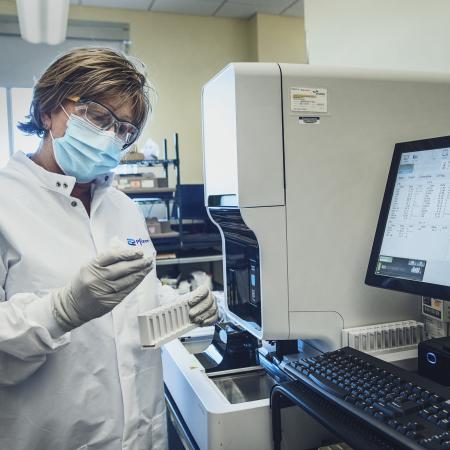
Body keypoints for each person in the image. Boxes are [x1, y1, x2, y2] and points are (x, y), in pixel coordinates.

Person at [0, 47, 219, 450]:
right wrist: (60, 311)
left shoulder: (124, 208)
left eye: (124, 129)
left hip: (142, 435)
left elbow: (132, 309)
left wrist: (180, 307)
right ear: (48, 110)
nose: (111, 137)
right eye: (99, 117)